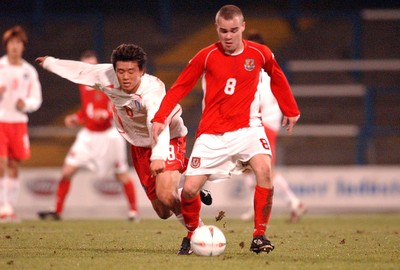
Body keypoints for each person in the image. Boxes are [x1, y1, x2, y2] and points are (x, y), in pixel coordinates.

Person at [151, 5, 300, 254]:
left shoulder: (260, 53)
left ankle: (259, 235)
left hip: (248, 129)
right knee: (188, 190)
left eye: (233, 30)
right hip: (212, 133)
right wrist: (160, 117)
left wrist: (291, 108)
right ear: (216, 29)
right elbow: (180, 86)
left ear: (242, 27)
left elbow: (277, 75)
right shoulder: (206, 56)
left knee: (264, 171)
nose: (228, 36)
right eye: (223, 31)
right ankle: (191, 234)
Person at [35, 43, 211, 254]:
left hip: (167, 137)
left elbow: (157, 125)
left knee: (166, 194)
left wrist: (158, 155)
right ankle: (188, 192)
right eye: (120, 71)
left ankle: (196, 234)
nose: (125, 77)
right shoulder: (106, 76)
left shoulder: (153, 90)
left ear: (142, 71)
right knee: (163, 211)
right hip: (138, 145)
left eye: (131, 71)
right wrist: (51, 63)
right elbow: (82, 71)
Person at [37, 50, 140, 222]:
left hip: (109, 136)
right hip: (88, 135)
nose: (89, 70)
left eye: (92, 65)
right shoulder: (83, 84)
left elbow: (122, 105)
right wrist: (77, 118)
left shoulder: (110, 80)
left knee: (121, 175)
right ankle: (57, 210)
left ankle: (134, 212)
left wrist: (107, 115)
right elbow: (87, 109)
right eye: (86, 66)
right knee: (66, 172)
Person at [240, 30, 306, 223]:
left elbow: (257, 101)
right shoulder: (267, 68)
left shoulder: (258, 71)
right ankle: (258, 205)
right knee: (246, 167)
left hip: (262, 123)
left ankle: (294, 202)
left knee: (264, 168)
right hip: (263, 122)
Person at [0, 26, 43, 221]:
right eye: (11, 43)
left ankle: (10, 206)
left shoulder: (29, 71)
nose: (14, 47)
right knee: (1, 163)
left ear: (23, 46)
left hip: (18, 123)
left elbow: (37, 99)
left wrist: (25, 104)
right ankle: (2, 206)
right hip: (1, 121)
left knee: (14, 165)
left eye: (18, 43)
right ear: (6, 45)